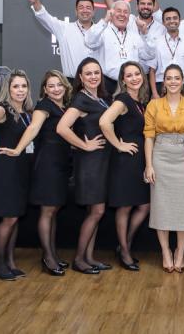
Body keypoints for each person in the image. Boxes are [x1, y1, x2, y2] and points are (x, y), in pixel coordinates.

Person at [0, 70, 73, 276]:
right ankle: (48, 258)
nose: (56, 89)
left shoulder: (64, 107)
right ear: (45, 90)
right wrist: (18, 149)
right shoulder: (44, 106)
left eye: (59, 84)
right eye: (51, 86)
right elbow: (32, 128)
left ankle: (53, 254)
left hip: (61, 164)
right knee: (47, 211)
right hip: (48, 165)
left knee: (53, 211)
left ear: (65, 86)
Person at [143, 64, 184, 273]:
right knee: (161, 207)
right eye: (169, 78)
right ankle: (166, 251)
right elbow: (149, 137)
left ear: (183, 80)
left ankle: (180, 252)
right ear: (164, 81)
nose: (173, 82)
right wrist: (149, 165)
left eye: (177, 78)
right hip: (161, 157)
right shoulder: (154, 105)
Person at [56, 57, 111, 274]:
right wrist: (84, 146)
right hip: (90, 163)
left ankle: (89, 257)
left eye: (96, 72)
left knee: (94, 211)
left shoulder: (100, 98)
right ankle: (79, 259)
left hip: (100, 162)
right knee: (97, 211)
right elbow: (62, 128)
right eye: (88, 73)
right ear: (80, 77)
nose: (93, 76)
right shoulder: (81, 99)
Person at [0, 70, 34, 280]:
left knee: (15, 217)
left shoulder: (28, 112)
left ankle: (10, 261)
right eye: (15, 86)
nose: (20, 90)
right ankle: (0, 263)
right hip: (6, 169)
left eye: (23, 86)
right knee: (9, 218)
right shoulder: (4, 109)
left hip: (21, 168)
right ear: (8, 89)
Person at [99, 61, 151, 271]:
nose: (134, 78)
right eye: (129, 75)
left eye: (137, 74)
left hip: (138, 161)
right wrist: (118, 145)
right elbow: (104, 122)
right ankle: (125, 252)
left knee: (144, 206)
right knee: (125, 207)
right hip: (125, 162)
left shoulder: (140, 102)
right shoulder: (122, 99)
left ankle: (124, 246)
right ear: (123, 80)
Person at [25, 0, 99, 82]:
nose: (85, 10)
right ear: (76, 11)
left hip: (96, 83)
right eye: (81, 7)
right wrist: (36, 2)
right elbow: (45, 18)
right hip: (72, 83)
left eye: (88, 8)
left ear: (93, 11)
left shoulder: (101, 31)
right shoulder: (65, 29)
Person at [84, 0, 157, 96]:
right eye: (119, 11)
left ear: (129, 17)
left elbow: (149, 55)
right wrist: (105, 20)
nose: (122, 14)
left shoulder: (134, 35)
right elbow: (89, 41)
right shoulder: (103, 31)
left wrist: (145, 33)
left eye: (125, 12)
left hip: (130, 85)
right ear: (111, 13)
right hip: (107, 84)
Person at [144, 7, 184, 99]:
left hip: (183, 86)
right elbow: (152, 70)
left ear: (179, 20)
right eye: (168, 19)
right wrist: (154, 93)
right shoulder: (157, 42)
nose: (172, 21)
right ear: (163, 22)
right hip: (161, 86)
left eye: (175, 18)